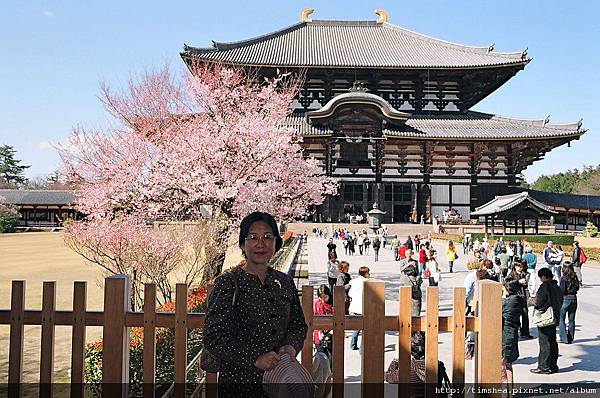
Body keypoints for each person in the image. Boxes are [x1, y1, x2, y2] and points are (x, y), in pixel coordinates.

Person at [203, 212, 307, 397]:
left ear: (276, 242)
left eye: (268, 237)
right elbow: (213, 336)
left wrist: (290, 346)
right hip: (239, 383)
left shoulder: (284, 282)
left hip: (280, 382)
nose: (261, 243)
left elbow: (298, 325)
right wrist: (255, 359)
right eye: (253, 237)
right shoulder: (228, 282)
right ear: (242, 244)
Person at [529, 267, 564, 374]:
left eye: (540, 277)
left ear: (543, 276)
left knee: (544, 342)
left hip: (545, 317)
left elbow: (538, 301)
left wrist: (531, 300)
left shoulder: (545, 286)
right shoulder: (556, 286)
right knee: (552, 342)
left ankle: (543, 366)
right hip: (554, 317)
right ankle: (553, 365)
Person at [502, 279, 524, 390]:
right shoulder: (519, 300)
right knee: (509, 365)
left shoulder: (507, 302)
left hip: (505, 334)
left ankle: (506, 390)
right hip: (513, 333)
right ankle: (510, 390)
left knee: (503, 364)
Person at [348, 266, 371, 350]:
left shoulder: (354, 282)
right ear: (365, 274)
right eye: (368, 273)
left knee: (356, 328)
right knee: (365, 329)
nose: (369, 274)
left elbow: (350, 294)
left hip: (354, 307)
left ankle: (353, 345)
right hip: (364, 307)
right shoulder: (368, 282)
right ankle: (362, 348)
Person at [509, 260, 533, 339]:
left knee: (525, 314)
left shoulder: (525, 274)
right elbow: (507, 283)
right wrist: (518, 281)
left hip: (523, 296)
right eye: (517, 266)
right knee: (515, 314)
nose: (519, 268)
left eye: (521, 266)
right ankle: (516, 329)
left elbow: (526, 284)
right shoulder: (512, 274)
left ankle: (525, 332)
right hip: (515, 296)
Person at [558, 262, 580, 344]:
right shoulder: (575, 277)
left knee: (561, 318)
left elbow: (562, 290)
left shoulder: (563, 278)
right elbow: (577, 288)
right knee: (571, 320)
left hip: (565, 299)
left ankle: (563, 338)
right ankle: (570, 337)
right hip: (574, 298)